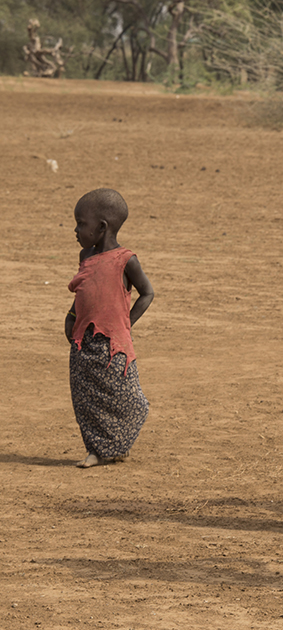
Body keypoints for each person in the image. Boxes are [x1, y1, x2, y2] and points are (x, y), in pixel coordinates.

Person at [66, 188, 154, 469]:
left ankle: (117, 445)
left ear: (101, 227)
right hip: (83, 341)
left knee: (123, 397)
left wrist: (126, 324)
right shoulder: (85, 255)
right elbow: (85, 288)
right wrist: (70, 316)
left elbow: (147, 293)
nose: (76, 230)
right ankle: (96, 450)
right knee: (85, 399)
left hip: (113, 343)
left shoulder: (126, 260)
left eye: (81, 223)